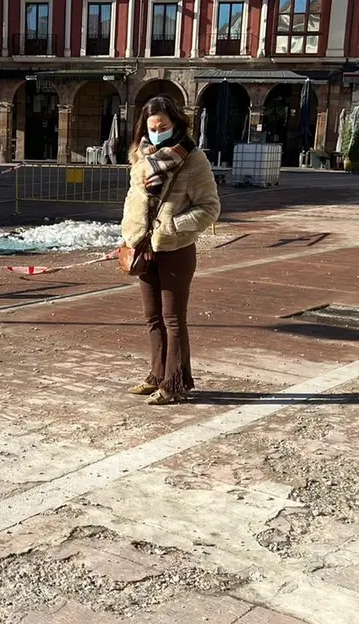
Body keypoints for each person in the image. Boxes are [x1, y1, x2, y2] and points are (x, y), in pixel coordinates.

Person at [119, 95, 221, 406]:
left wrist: (173, 227)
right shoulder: (139, 158)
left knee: (173, 318)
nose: (156, 133)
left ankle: (175, 383)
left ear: (175, 124)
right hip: (143, 247)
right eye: (151, 128)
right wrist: (128, 234)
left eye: (162, 127)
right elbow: (133, 202)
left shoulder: (193, 159)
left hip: (175, 248)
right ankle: (157, 375)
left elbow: (210, 208)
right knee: (152, 318)